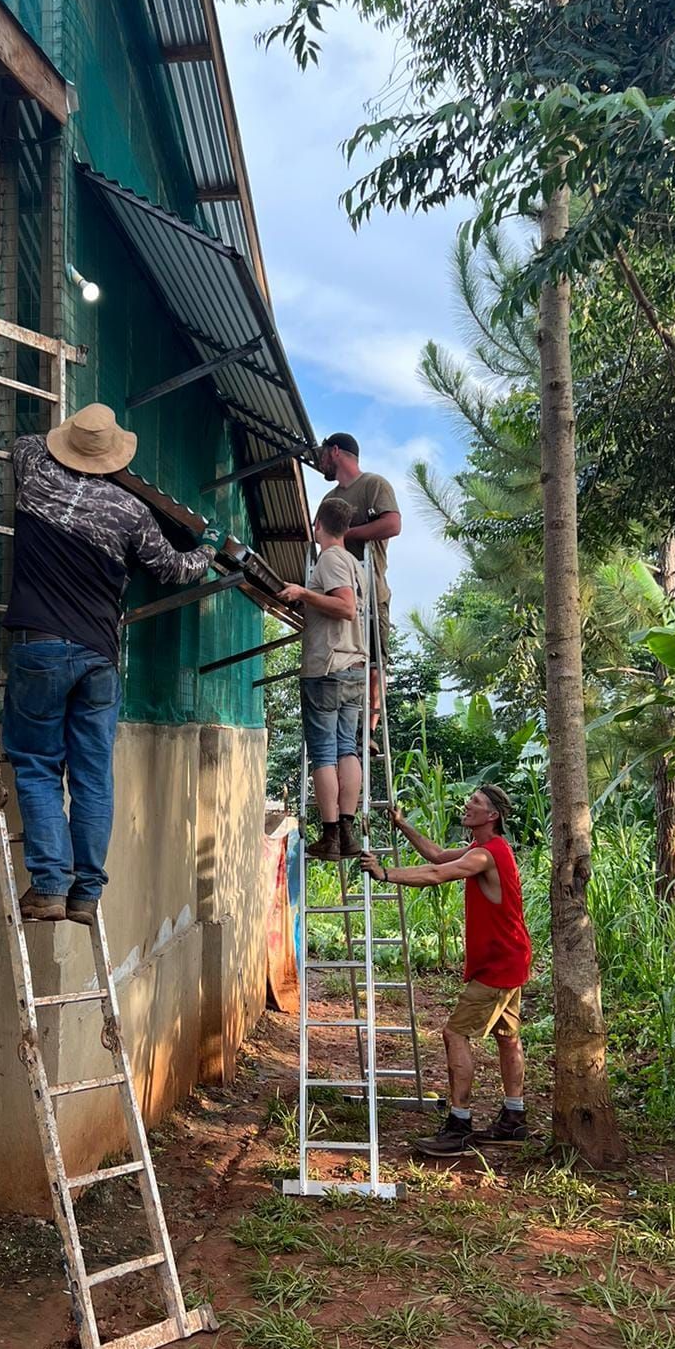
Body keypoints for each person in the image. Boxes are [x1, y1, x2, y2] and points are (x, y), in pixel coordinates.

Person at [2, 403, 216, 925]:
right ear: (113, 456)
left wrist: (69, 446)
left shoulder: (34, 473)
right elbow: (173, 568)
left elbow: (26, 443)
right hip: (98, 656)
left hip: (39, 646)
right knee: (93, 777)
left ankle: (50, 884)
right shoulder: (129, 512)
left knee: (36, 766)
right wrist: (207, 548)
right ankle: (86, 892)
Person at [358, 785, 532, 1152]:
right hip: (510, 959)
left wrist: (385, 873)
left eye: (477, 803)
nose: (468, 805)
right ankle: (513, 1118)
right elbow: (436, 854)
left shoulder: (486, 855)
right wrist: (403, 826)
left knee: (455, 1035)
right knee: (507, 1036)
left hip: (498, 966)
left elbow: (437, 873)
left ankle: (459, 1125)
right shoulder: (481, 849)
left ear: (492, 816)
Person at [279, 497, 366, 860]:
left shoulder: (329, 558)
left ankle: (330, 835)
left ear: (318, 525)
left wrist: (302, 592)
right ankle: (346, 831)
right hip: (354, 666)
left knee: (324, 753)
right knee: (347, 747)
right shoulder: (354, 563)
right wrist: (309, 600)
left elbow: (344, 607)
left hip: (328, 668)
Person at [318, 433, 401, 727]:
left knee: (375, 665)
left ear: (336, 451)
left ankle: (369, 732)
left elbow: (393, 524)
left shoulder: (373, 485)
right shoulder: (329, 500)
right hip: (339, 595)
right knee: (341, 664)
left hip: (371, 593)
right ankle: (344, 731)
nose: (320, 461)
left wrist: (347, 534)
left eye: (323, 454)